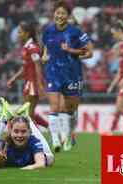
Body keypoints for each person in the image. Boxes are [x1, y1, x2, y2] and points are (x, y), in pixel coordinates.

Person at [41, 0, 93, 152]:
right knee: (55, 107)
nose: (60, 16)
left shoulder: (76, 32)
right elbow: (45, 49)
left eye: (63, 13)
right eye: (57, 13)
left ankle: (69, 134)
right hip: (53, 72)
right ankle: (56, 140)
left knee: (69, 109)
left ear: (68, 16)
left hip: (71, 73)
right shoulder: (48, 31)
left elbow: (89, 52)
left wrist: (70, 50)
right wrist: (44, 56)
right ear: (54, 14)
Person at [0, 97, 54, 169]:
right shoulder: (4, 145)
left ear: (30, 132)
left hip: (31, 152)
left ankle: (27, 117)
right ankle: (4, 119)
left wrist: (26, 169)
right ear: (10, 132)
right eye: (16, 131)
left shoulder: (33, 141)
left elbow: (40, 164)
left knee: (49, 158)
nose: (19, 135)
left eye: (23, 132)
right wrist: (0, 161)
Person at [7, 21, 48, 128]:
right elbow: (25, 68)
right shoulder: (26, 47)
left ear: (27, 33)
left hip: (33, 84)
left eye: (20, 32)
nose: (18, 34)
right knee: (30, 114)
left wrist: (39, 85)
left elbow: (38, 66)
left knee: (27, 114)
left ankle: (41, 136)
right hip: (29, 83)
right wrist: (14, 78)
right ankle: (51, 129)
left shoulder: (32, 47)